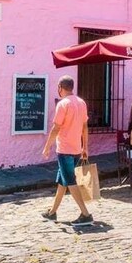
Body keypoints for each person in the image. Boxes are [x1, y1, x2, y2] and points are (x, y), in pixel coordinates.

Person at [41, 75, 93, 226]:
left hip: (64, 150)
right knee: (63, 181)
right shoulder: (81, 103)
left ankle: (85, 214)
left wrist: (47, 147)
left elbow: (56, 128)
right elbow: (85, 127)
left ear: (60, 88)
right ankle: (52, 212)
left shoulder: (63, 104)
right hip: (76, 148)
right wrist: (85, 147)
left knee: (70, 181)